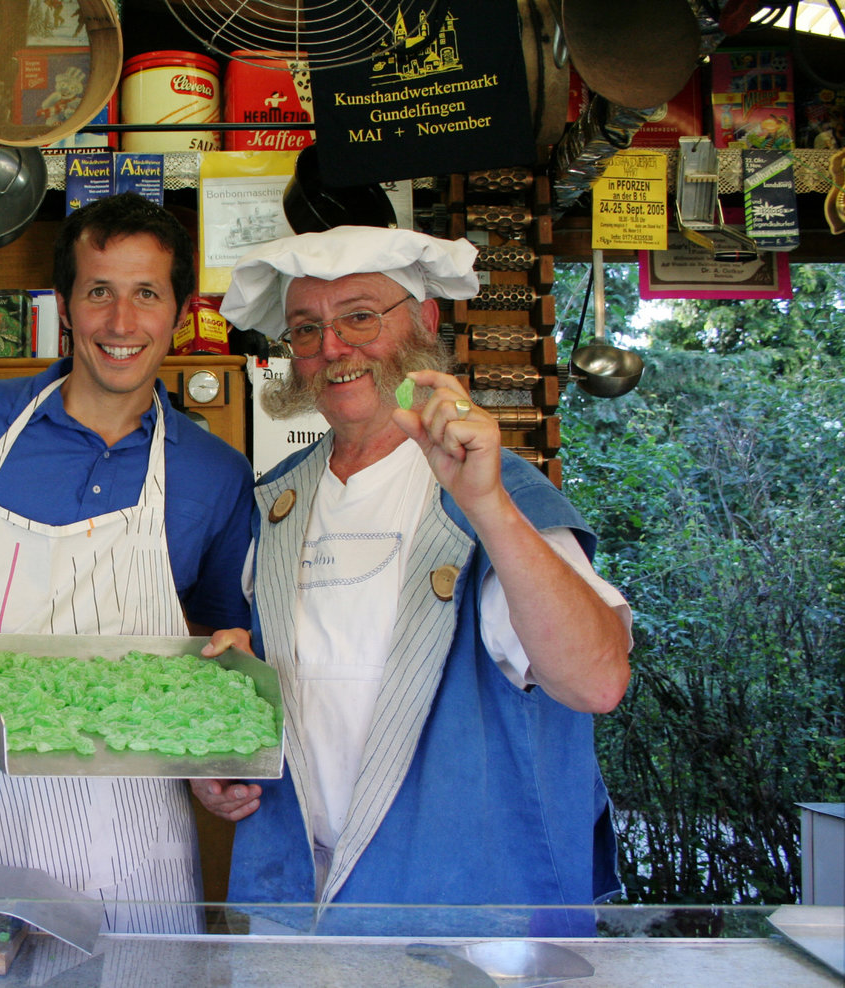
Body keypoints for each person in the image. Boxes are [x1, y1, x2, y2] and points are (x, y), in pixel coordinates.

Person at [193, 226, 633, 936]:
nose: (334, 347)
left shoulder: (503, 495)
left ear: (424, 321)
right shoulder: (275, 502)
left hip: (466, 921)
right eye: (307, 329)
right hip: (296, 911)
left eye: (360, 317)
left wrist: (488, 506)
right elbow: (281, 679)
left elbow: (597, 683)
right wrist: (224, 755)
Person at [0, 192, 255, 934]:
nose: (121, 323)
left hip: (131, 838)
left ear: (178, 311)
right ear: (65, 306)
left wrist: (219, 759)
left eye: (146, 294)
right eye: (99, 292)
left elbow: (218, 648)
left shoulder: (216, 473)